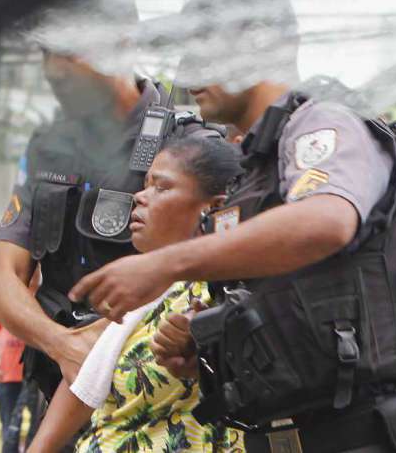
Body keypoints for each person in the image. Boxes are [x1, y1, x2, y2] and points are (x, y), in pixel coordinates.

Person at [68, 0, 396, 451]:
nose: (186, 68)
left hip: (362, 437)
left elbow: (326, 221)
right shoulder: (254, 169)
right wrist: (205, 343)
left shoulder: (324, 124)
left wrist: (166, 263)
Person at [0, 0, 225, 449]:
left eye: (71, 52)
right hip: (59, 387)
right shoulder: (47, 147)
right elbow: (2, 283)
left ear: (122, 45)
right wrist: (63, 346)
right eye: (47, 53)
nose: (55, 70)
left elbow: (208, 278)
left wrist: (98, 350)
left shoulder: (188, 146)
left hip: (153, 399)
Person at [27, 134, 244, 452]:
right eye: (145, 184)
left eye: (162, 186)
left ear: (215, 207)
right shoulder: (151, 292)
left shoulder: (228, 290)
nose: (140, 197)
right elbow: (84, 387)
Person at [0, 266, 42, 453]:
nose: (33, 273)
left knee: (38, 425)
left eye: (37, 269)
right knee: (9, 424)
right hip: (8, 375)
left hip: (36, 377)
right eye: (31, 267)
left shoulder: (44, 297)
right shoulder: (6, 297)